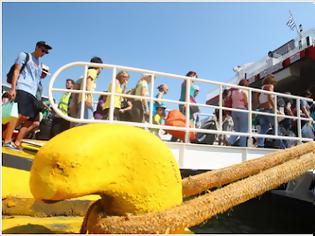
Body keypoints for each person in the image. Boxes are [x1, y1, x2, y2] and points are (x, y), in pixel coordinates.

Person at [3, 41, 52, 150]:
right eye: (42, 50)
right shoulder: (25, 56)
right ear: (37, 47)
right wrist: (13, 88)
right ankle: (7, 140)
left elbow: (36, 79)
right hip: (22, 87)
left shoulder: (39, 63)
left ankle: (5, 135)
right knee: (18, 114)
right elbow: (16, 71)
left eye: (46, 52)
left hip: (32, 93)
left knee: (25, 117)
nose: (43, 53)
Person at [255, 74, 279, 148]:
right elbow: (270, 98)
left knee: (264, 127)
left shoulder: (261, 88)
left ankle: (260, 144)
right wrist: (275, 108)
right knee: (276, 125)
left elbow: (257, 97)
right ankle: (279, 144)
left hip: (262, 109)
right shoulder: (270, 86)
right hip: (269, 109)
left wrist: (260, 105)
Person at [227, 79, 249, 147]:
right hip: (242, 110)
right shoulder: (244, 90)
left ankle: (230, 141)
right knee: (244, 130)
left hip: (234, 111)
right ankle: (243, 146)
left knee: (237, 129)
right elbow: (246, 102)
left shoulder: (233, 92)